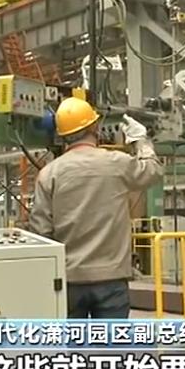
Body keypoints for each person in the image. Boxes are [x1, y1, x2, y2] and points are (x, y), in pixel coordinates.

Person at [28, 97, 163, 319]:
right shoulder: (116, 163)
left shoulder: (49, 174)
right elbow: (153, 170)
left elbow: (41, 231)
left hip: (68, 280)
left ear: (62, 135)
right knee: (111, 340)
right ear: (95, 127)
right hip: (111, 279)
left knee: (73, 341)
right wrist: (141, 141)